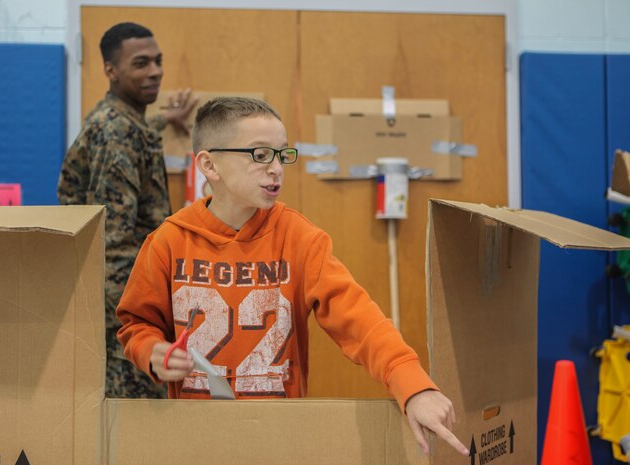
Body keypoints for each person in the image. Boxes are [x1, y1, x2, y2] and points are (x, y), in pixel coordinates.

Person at [116, 97, 469, 455]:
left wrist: (414, 385)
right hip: (196, 439)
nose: (276, 168)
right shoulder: (168, 241)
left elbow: (362, 321)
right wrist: (152, 351)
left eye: (282, 154)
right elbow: (135, 324)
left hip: (281, 440)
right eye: (259, 154)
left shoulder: (301, 239)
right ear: (209, 165)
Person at [57, 22, 197, 398]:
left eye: (157, 61)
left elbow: (137, 135)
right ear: (111, 70)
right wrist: (138, 324)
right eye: (140, 64)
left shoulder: (123, 119)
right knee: (134, 418)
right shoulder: (116, 132)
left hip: (114, 301)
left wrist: (167, 120)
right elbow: (113, 241)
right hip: (118, 308)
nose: (155, 71)